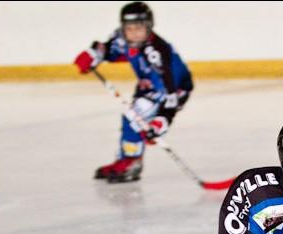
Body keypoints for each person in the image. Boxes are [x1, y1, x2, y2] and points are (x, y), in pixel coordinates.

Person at [73, 1, 193, 183]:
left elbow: (171, 94)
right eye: (129, 27)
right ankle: (125, 159)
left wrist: (161, 121)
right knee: (130, 120)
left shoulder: (158, 53)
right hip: (147, 85)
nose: (134, 32)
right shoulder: (122, 38)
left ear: (149, 27)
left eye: (139, 27)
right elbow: (112, 50)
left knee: (133, 118)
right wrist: (93, 55)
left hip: (174, 88)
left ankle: (132, 162)